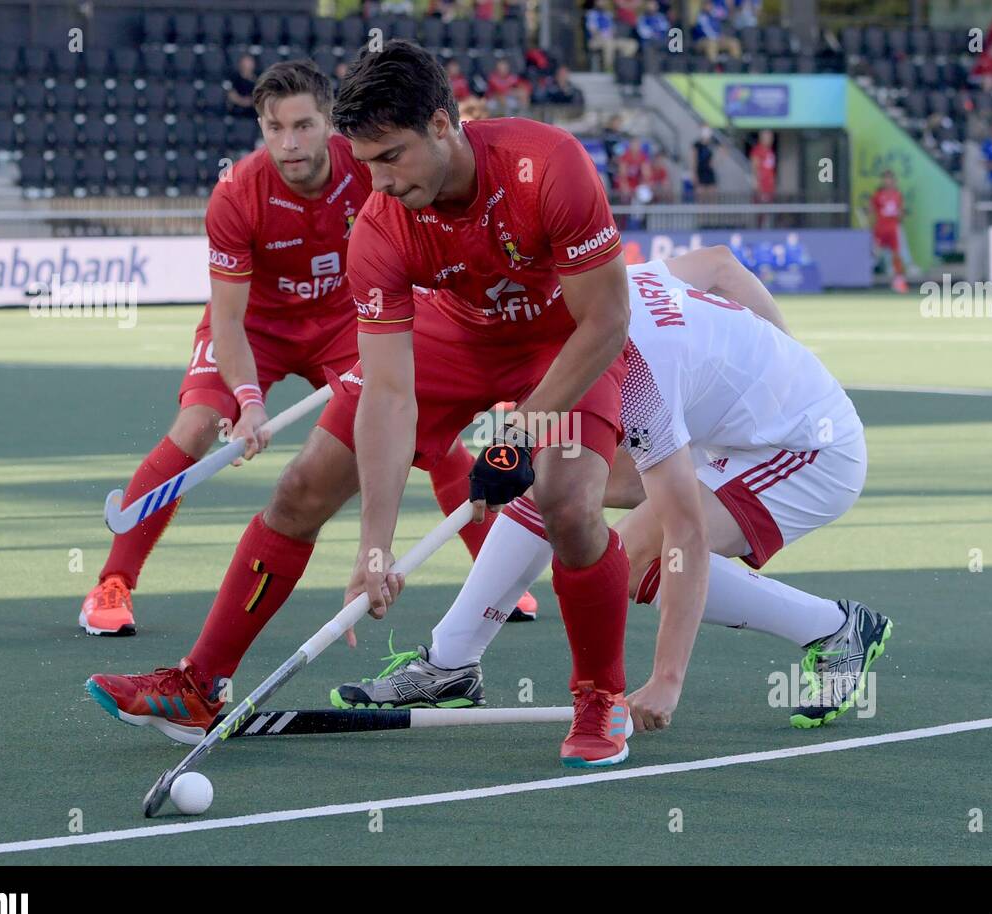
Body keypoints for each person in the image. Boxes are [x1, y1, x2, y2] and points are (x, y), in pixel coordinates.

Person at [89, 41, 634, 769]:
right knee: (302, 486)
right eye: (366, 160)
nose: (375, 180)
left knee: (566, 501)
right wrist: (374, 547)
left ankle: (601, 694)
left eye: (391, 157)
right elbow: (387, 392)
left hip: (561, 340)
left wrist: (526, 429)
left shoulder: (548, 167)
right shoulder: (380, 223)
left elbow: (607, 320)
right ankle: (200, 684)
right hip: (456, 332)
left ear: (443, 124)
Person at [334, 248, 891, 733]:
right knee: (552, 486)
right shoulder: (613, 286)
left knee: (633, 560)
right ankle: (450, 663)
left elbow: (685, 534)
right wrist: (786, 357)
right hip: (728, 427)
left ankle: (837, 628)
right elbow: (721, 264)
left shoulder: (642, 376)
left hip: (807, 450)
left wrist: (666, 682)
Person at [78, 60, 534, 637]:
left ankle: (495, 582)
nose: (289, 144)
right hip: (257, 328)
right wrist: (247, 400)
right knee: (197, 425)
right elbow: (228, 317)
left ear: (329, 124)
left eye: (303, 126)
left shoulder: (367, 162)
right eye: (274, 128)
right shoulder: (237, 195)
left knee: (418, 427)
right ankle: (114, 582)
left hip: (347, 319)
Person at [868, 170, 908, 293]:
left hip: (893, 228)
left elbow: (900, 211)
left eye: (890, 179)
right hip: (880, 228)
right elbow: (871, 211)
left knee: (896, 254)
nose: (888, 181)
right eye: (886, 179)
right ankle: (866, 277)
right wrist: (871, 225)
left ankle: (898, 282)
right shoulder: (877, 195)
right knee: (875, 254)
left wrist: (901, 216)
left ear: (894, 181)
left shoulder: (898, 195)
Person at [226, 54, 258, 120]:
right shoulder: (234, 78)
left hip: (253, 115)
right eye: (245, 63)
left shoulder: (258, 80)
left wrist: (251, 102)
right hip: (237, 113)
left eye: (250, 63)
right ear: (240, 64)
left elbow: (260, 98)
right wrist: (244, 101)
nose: (247, 66)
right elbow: (231, 96)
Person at [750, 129, 776, 204]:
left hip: (770, 187)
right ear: (762, 138)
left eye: (771, 137)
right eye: (768, 137)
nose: (771, 139)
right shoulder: (757, 150)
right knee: (761, 210)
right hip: (761, 187)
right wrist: (758, 186)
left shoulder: (770, 151)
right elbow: (754, 168)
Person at [693, 126, 717, 201]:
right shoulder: (697, 145)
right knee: (700, 195)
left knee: (712, 195)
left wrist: (716, 162)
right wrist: (694, 174)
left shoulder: (711, 144)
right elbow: (694, 160)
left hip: (709, 171)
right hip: (700, 171)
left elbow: (724, 149)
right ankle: (701, 213)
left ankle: (713, 212)